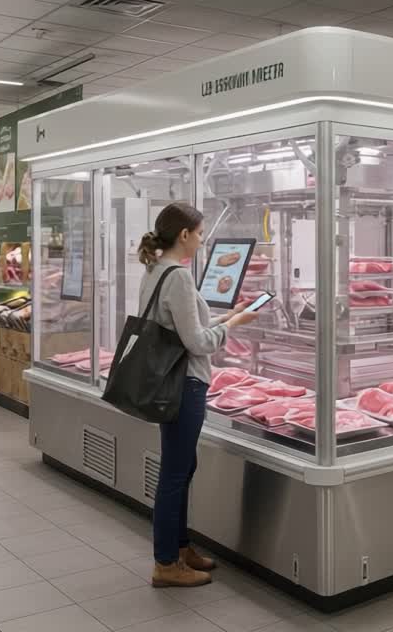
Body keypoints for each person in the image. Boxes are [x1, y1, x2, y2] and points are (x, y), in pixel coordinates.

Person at [136, 202, 259, 588]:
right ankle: (165, 563)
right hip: (185, 384)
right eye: (201, 233)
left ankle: (181, 546)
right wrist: (235, 324)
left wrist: (227, 314)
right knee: (175, 473)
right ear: (185, 235)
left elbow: (184, 326)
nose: (203, 241)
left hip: (172, 381)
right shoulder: (179, 277)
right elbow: (198, 343)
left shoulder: (157, 270)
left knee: (182, 467)